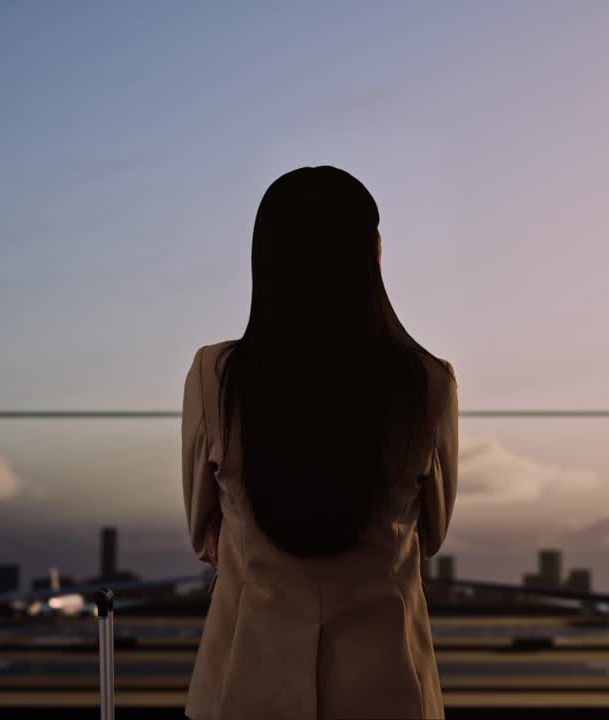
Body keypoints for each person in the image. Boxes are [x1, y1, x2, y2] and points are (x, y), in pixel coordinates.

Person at [181, 166, 459, 720]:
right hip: (387, 689)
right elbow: (430, 533)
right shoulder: (427, 382)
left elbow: (202, 528)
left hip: (241, 688)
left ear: (265, 260)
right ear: (370, 255)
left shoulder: (217, 375)